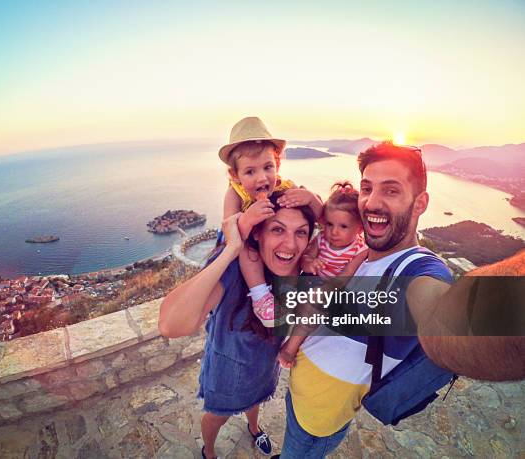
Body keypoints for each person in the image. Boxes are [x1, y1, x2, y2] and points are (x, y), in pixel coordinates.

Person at [275, 141, 525, 458]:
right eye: (367, 189)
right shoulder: (360, 254)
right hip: (300, 394)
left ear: (420, 203)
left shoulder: (417, 270)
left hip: (319, 418)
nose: (372, 203)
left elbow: (449, 321)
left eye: (391, 191)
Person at [158, 194, 317, 459]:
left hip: (265, 367)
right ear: (258, 235)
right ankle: (208, 451)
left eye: (301, 232)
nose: (290, 243)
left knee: (255, 402)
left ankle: (254, 428)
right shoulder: (235, 273)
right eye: (277, 229)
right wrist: (231, 248)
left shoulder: (302, 273)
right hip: (227, 372)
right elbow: (170, 325)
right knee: (217, 417)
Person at [220, 116, 323, 328]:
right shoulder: (235, 194)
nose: (262, 178)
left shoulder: (286, 185)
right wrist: (247, 220)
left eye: (267, 167)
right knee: (247, 252)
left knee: (299, 243)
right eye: (250, 171)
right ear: (235, 175)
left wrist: (311, 199)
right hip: (250, 243)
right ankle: (260, 296)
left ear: (277, 163)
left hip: (277, 247)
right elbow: (229, 232)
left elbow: (322, 219)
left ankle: (297, 285)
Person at [278, 181, 368, 368]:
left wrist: (330, 289)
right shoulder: (321, 240)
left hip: (335, 286)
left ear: (359, 228)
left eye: (343, 226)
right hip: (311, 281)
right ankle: (289, 345)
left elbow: (348, 272)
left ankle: (291, 346)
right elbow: (305, 259)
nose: (334, 232)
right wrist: (311, 263)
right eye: (329, 224)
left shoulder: (360, 249)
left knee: (314, 307)